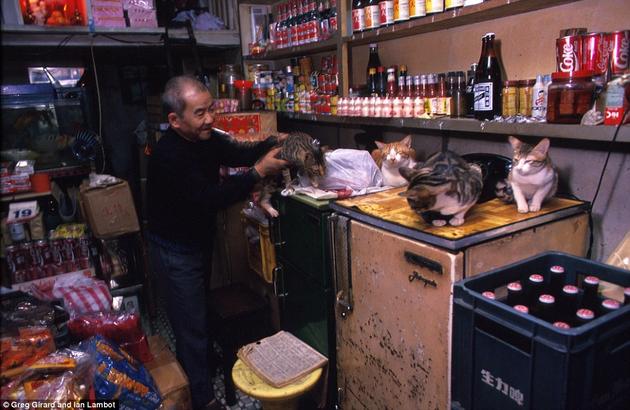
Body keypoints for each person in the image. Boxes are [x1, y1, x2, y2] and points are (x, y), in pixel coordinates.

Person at [146, 75, 287, 410]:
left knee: (197, 317)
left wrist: (271, 144)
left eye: (211, 109)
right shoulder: (169, 155)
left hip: (197, 242)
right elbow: (209, 199)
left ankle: (199, 375)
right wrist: (256, 172)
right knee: (190, 327)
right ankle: (204, 400)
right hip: (174, 250)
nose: (210, 118)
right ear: (174, 120)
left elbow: (237, 152)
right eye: (200, 113)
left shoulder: (205, 138)